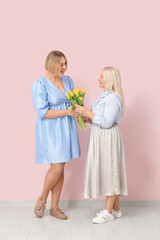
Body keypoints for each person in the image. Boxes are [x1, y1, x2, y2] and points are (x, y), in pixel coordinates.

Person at [75, 66, 128, 224]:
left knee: (110, 171)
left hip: (108, 137)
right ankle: (116, 209)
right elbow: (99, 119)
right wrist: (88, 119)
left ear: (110, 79)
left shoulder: (113, 98)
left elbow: (106, 122)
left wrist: (86, 112)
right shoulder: (105, 95)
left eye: (101, 76)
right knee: (109, 170)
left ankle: (108, 212)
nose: (98, 78)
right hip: (101, 137)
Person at [31, 50, 80, 220]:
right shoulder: (40, 84)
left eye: (66, 63)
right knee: (57, 166)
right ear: (52, 64)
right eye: (61, 64)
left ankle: (55, 207)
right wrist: (67, 111)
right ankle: (42, 198)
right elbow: (42, 112)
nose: (65, 67)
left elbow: (73, 102)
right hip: (50, 130)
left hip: (66, 127)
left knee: (61, 167)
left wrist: (80, 112)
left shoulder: (68, 80)